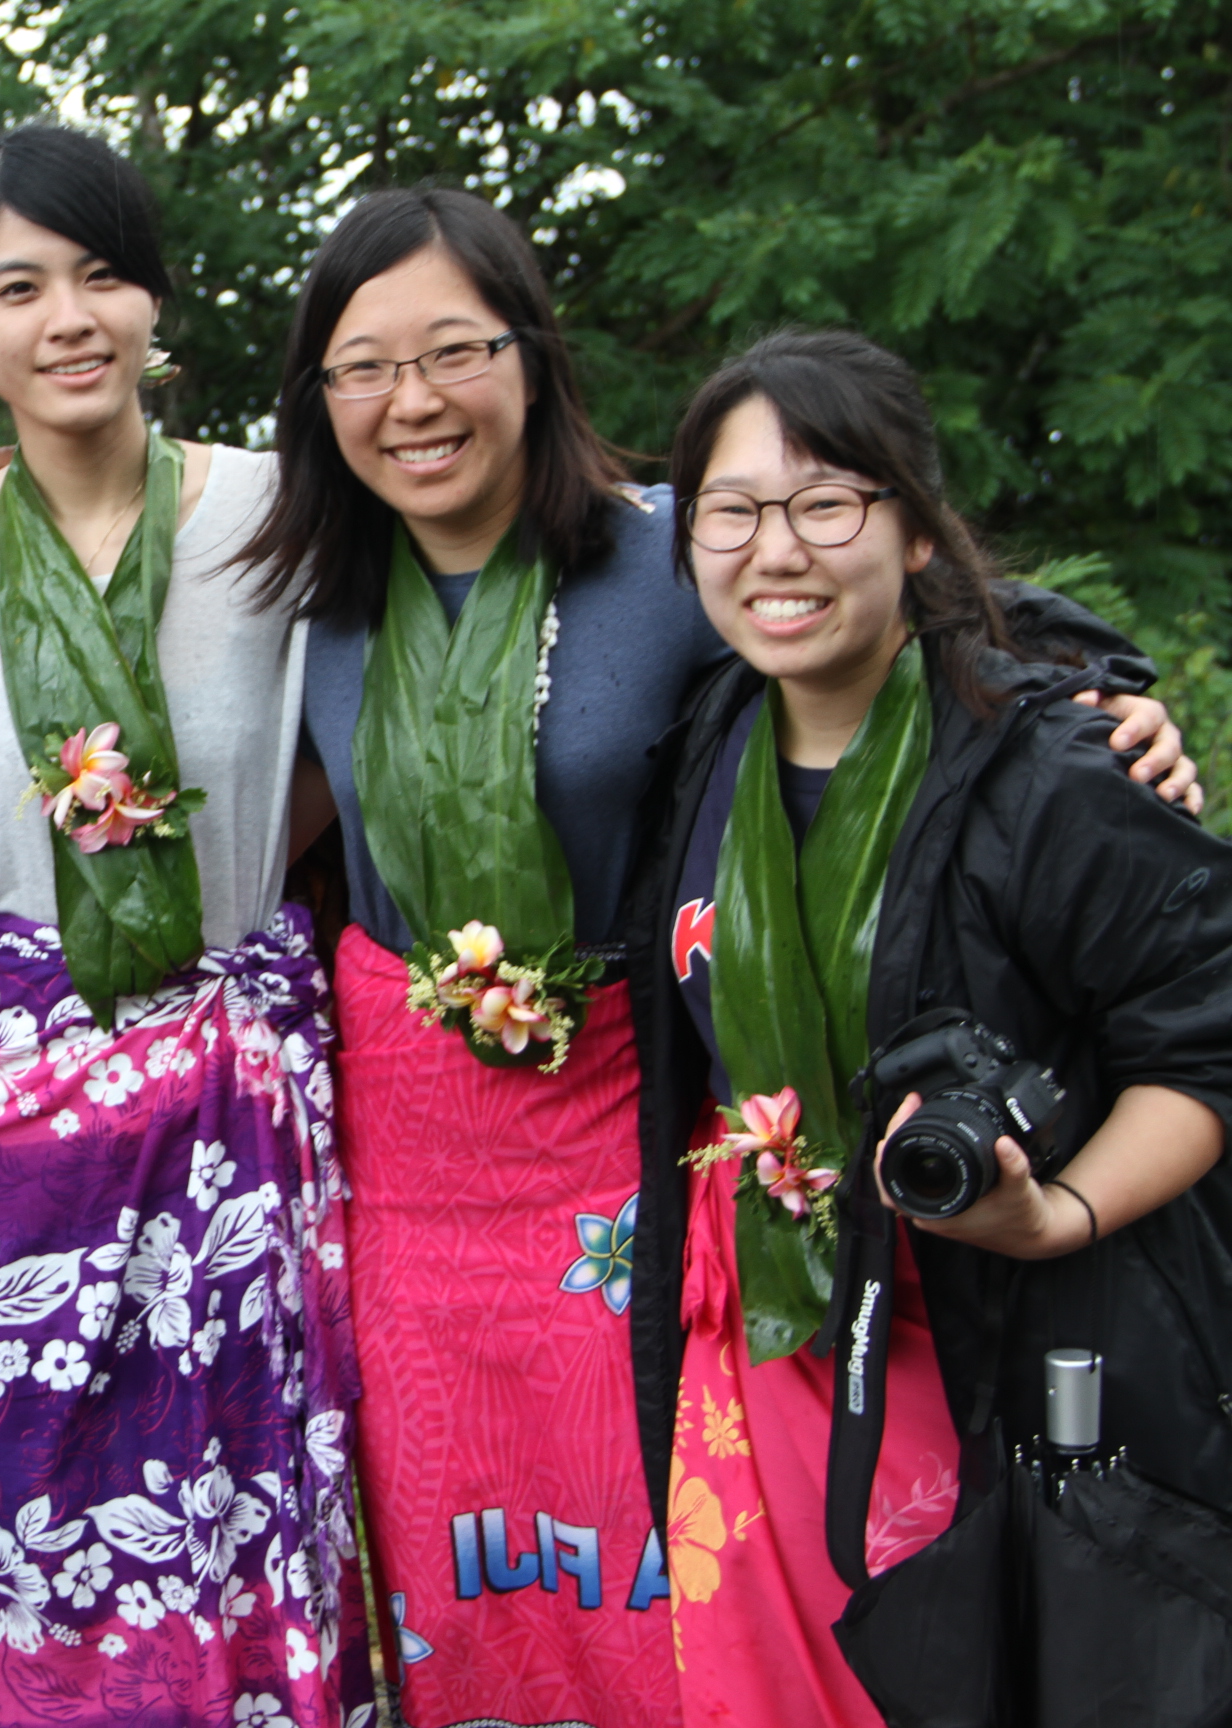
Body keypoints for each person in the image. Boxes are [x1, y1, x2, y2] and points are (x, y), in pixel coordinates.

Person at [239, 187, 1199, 1728]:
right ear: (319, 396)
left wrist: (1112, 695)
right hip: (412, 1173)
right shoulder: (302, 603)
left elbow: (900, 605)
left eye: (454, 350)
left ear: (533, 357)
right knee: (456, 1554)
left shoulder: (673, 545)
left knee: (657, 1552)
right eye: (361, 366)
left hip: (638, 1138)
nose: (411, 401)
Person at [627, 327, 1231, 1726]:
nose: (777, 549)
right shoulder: (706, 740)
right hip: (765, 1348)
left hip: (1000, 1359)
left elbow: (1201, 1038)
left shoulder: (1053, 770)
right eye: (733, 509)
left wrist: (1062, 1211)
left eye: (827, 501)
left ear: (912, 530)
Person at [0, 125, 372, 1727]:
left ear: (158, 299)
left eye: (102, 274)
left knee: (253, 1495)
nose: (67, 317)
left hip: (233, 1090)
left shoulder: (280, 511)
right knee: (29, 1499)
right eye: (17, 286)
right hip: (5, 1113)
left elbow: (392, 698)